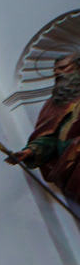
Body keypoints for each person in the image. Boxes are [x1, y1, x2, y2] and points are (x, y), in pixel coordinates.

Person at [5, 53, 80, 206]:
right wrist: (30, 152)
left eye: (63, 68)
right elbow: (49, 136)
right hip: (73, 157)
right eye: (55, 71)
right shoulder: (55, 103)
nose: (58, 73)